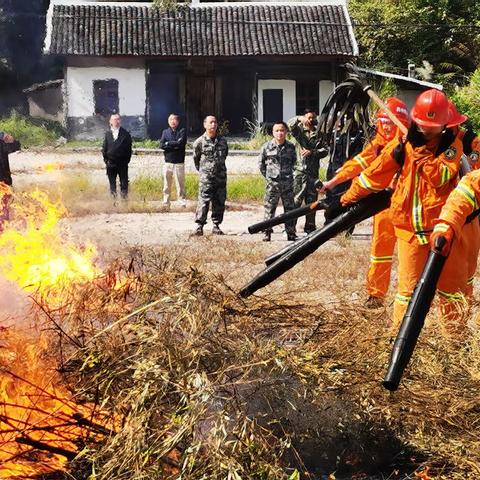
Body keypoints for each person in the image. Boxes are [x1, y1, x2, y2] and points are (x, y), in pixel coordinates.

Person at [335, 89, 466, 342]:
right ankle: (400, 338)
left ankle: (455, 342)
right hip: (409, 233)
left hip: (441, 232)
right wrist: (345, 198)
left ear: (445, 124)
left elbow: (439, 177)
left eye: (433, 127)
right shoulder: (403, 143)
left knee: (450, 291)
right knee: (407, 292)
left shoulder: (453, 147)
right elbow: (375, 173)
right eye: (423, 125)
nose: (428, 131)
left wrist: (420, 152)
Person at [322, 97, 410, 308]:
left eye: (390, 120)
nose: (386, 124)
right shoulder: (380, 143)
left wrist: (343, 201)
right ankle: (376, 295)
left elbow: (370, 178)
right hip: (384, 205)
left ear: (401, 121)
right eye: (383, 120)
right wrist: (332, 182)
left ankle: (413, 298)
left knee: (411, 256)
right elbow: (360, 162)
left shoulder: (405, 144)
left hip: (407, 208)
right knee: (380, 251)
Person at [288, 109, 328, 234]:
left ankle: (310, 228)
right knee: (296, 201)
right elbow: (289, 124)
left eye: (313, 117)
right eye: (308, 117)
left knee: (312, 202)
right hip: (299, 172)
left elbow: (325, 150)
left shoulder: (319, 132)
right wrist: (299, 118)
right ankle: (291, 228)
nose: (310, 120)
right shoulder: (298, 131)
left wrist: (313, 152)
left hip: (313, 173)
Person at [259, 121, 297, 242]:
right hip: (272, 184)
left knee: (290, 209)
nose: (279, 133)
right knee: (269, 209)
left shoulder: (291, 147)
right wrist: (269, 177)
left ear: (286, 132)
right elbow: (261, 165)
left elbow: (295, 163)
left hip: (288, 184)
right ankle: (267, 233)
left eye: (282, 130)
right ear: (272, 133)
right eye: (277, 131)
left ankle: (290, 232)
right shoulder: (266, 147)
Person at [193, 115, 228, 236]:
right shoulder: (199, 142)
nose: (213, 124)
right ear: (205, 125)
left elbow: (224, 156)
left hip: (220, 177)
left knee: (219, 201)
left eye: (215, 122)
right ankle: (199, 226)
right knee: (203, 201)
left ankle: (216, 226)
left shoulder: (223, 141)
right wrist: (205, 171)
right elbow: (196, 159)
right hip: (206, 178)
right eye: (211, 122)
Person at [102, 114, 132, 200]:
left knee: (124, 183)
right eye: (114, 120)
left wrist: (126, 161)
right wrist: (106, 161)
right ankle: (113, 203)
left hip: (122, 164)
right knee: (112, 184)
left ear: (120, 121)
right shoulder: (107, 134)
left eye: (118, 119)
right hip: (111, 164)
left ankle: (124, 202)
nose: (116, 121)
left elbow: (129, 150)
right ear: (110, 122)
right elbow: (104, 148)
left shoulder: (126, 134)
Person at [159, 113, 187, 207]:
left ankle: (182, 201)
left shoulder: (182, 131)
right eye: (170, 119)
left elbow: (181, 144)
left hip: (179, 162)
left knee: (180, 184)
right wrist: (174, 144)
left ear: (178, 121)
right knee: (166, 184)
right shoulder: (165, 132)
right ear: (168, 121)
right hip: (168, 162)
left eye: (174, 119)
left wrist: (168, 143)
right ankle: (166, 202)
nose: (172, 121)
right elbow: (161, 145)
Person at [0, 131, 21, 231]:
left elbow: (15, 145)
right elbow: (16, 145)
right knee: (3, 209)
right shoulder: (1, 140)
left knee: (4, 209)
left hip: (3, 182)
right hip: (4, 182)